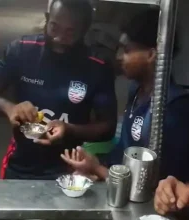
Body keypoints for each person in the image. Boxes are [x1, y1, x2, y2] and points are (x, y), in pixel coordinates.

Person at [61, 9, 189, 184]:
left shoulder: (173, 108)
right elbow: (122, 153)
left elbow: (156, 186)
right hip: (121, 192)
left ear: (152, 54)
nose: (119, 56)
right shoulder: (136, 90)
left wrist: (97, 169)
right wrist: (94, 163)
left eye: (127, 50)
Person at [0, 0, 117, 180]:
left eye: (70, 32)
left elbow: (107, 128)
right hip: (19, 164)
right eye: (54, 27)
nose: (60, 38)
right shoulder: (21, 50)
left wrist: (69, 129)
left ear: (84, 30)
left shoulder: (98, 67)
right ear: (47, 19)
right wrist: (9, 108)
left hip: (70, 167)